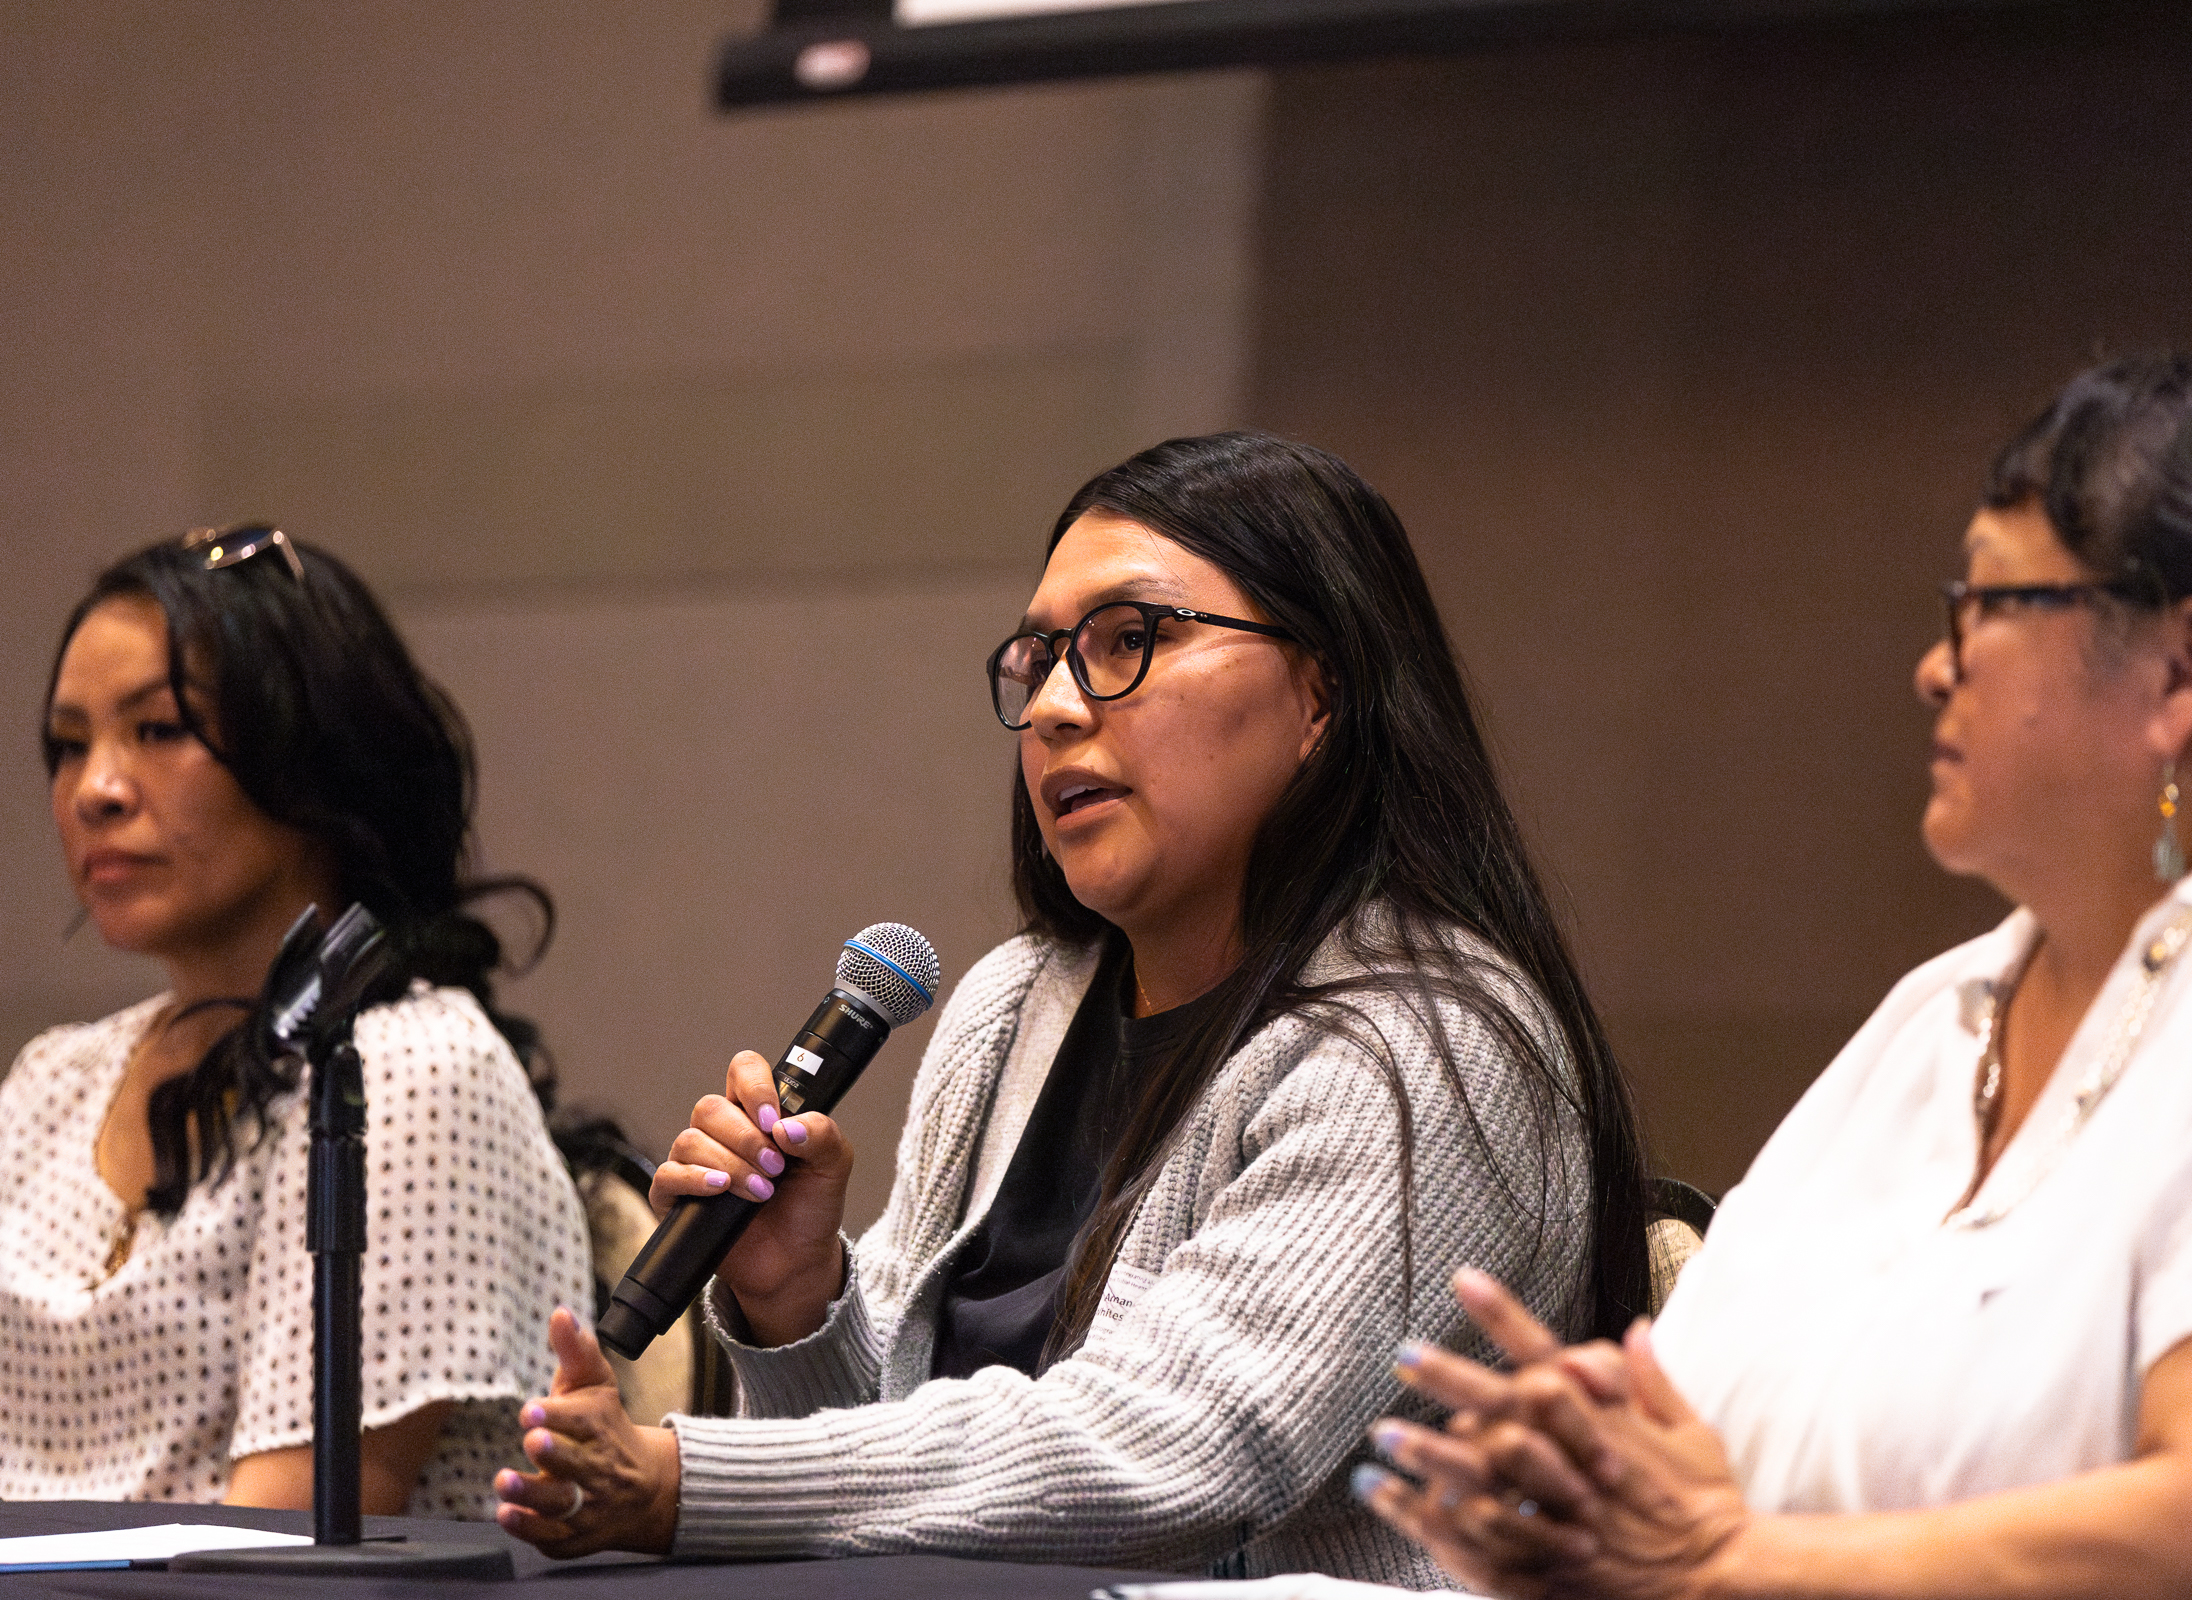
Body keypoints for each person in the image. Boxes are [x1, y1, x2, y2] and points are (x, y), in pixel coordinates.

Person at [491, 433, 1654, 1583]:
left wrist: (691, 1485)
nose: (1053, 706)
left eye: (1127, 641)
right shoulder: (1016, 1006)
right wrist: (799, 1305)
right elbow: (900, 1499)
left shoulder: (1432, 1044)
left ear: (1320, 693)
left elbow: (1179, 1447)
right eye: (1038, 658)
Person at [1359, 349, 2192, 1599]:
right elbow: (1686, 1448)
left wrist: (1726, 1562)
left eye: (1992, 603)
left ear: (2188, 669)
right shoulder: (1943, 1007)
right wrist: (1585, 1487)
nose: (1935, 664)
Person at [3, 526, 590, 1517]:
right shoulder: (56, 1077)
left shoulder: (410, 1068)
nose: (94, 790)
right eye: (69, 745)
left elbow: (283, 1547)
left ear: (314, 757)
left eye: (157, 730)